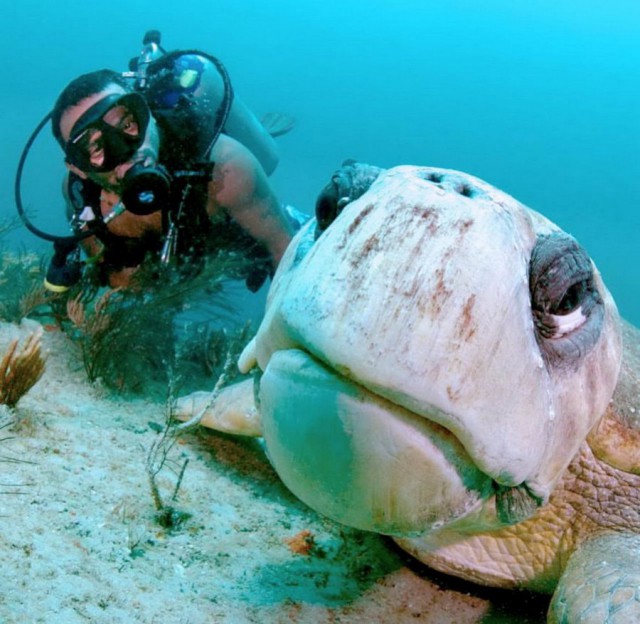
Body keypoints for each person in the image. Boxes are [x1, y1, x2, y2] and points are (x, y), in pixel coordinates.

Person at [49, 53, 302, 292]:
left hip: (226, 236)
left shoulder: (227, 168)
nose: (126, 152)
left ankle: (269, 164)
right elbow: (117, 280)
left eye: (127, 124)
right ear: (78, 169)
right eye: (95, 147)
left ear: (147, 111)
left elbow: (282, 250)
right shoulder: (81, 198)